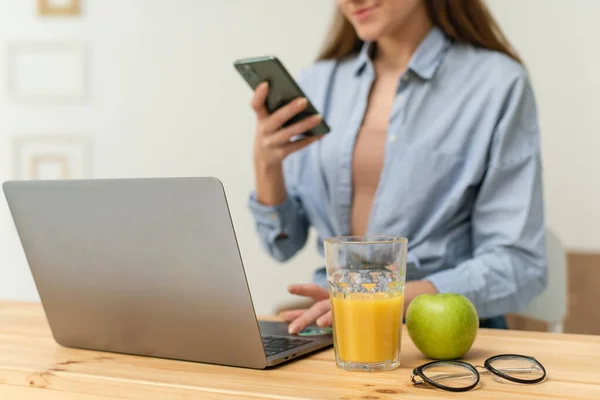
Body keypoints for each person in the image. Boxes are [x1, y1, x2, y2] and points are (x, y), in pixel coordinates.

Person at [247, 0, 547, 335]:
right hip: (335, 328)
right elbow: (282, 244)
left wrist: (377, 299)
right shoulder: (319, 83)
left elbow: (520, 265)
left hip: (441, 331)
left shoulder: (497, 84)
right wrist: (266, 164)